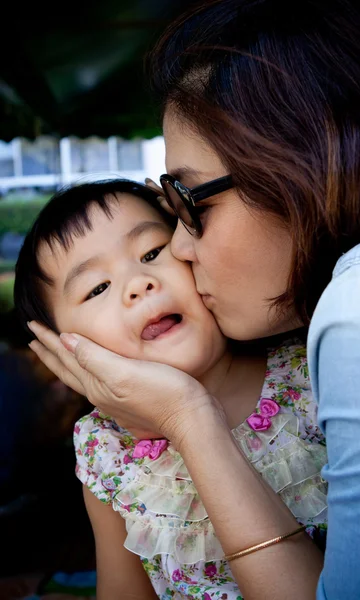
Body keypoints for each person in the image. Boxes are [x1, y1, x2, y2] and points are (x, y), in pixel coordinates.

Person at [25, 1, 360, 598]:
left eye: (189, 204)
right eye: (96, 289)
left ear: (296, 169)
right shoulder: (107, 456)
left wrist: (187, 418)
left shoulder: (338, 340)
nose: (151, 274)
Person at [14, 179, 326, 600]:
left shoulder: (313, 368)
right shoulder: (107, 453)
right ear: (66, 353)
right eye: (97, 289)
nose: (139, 283)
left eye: (151, 252)